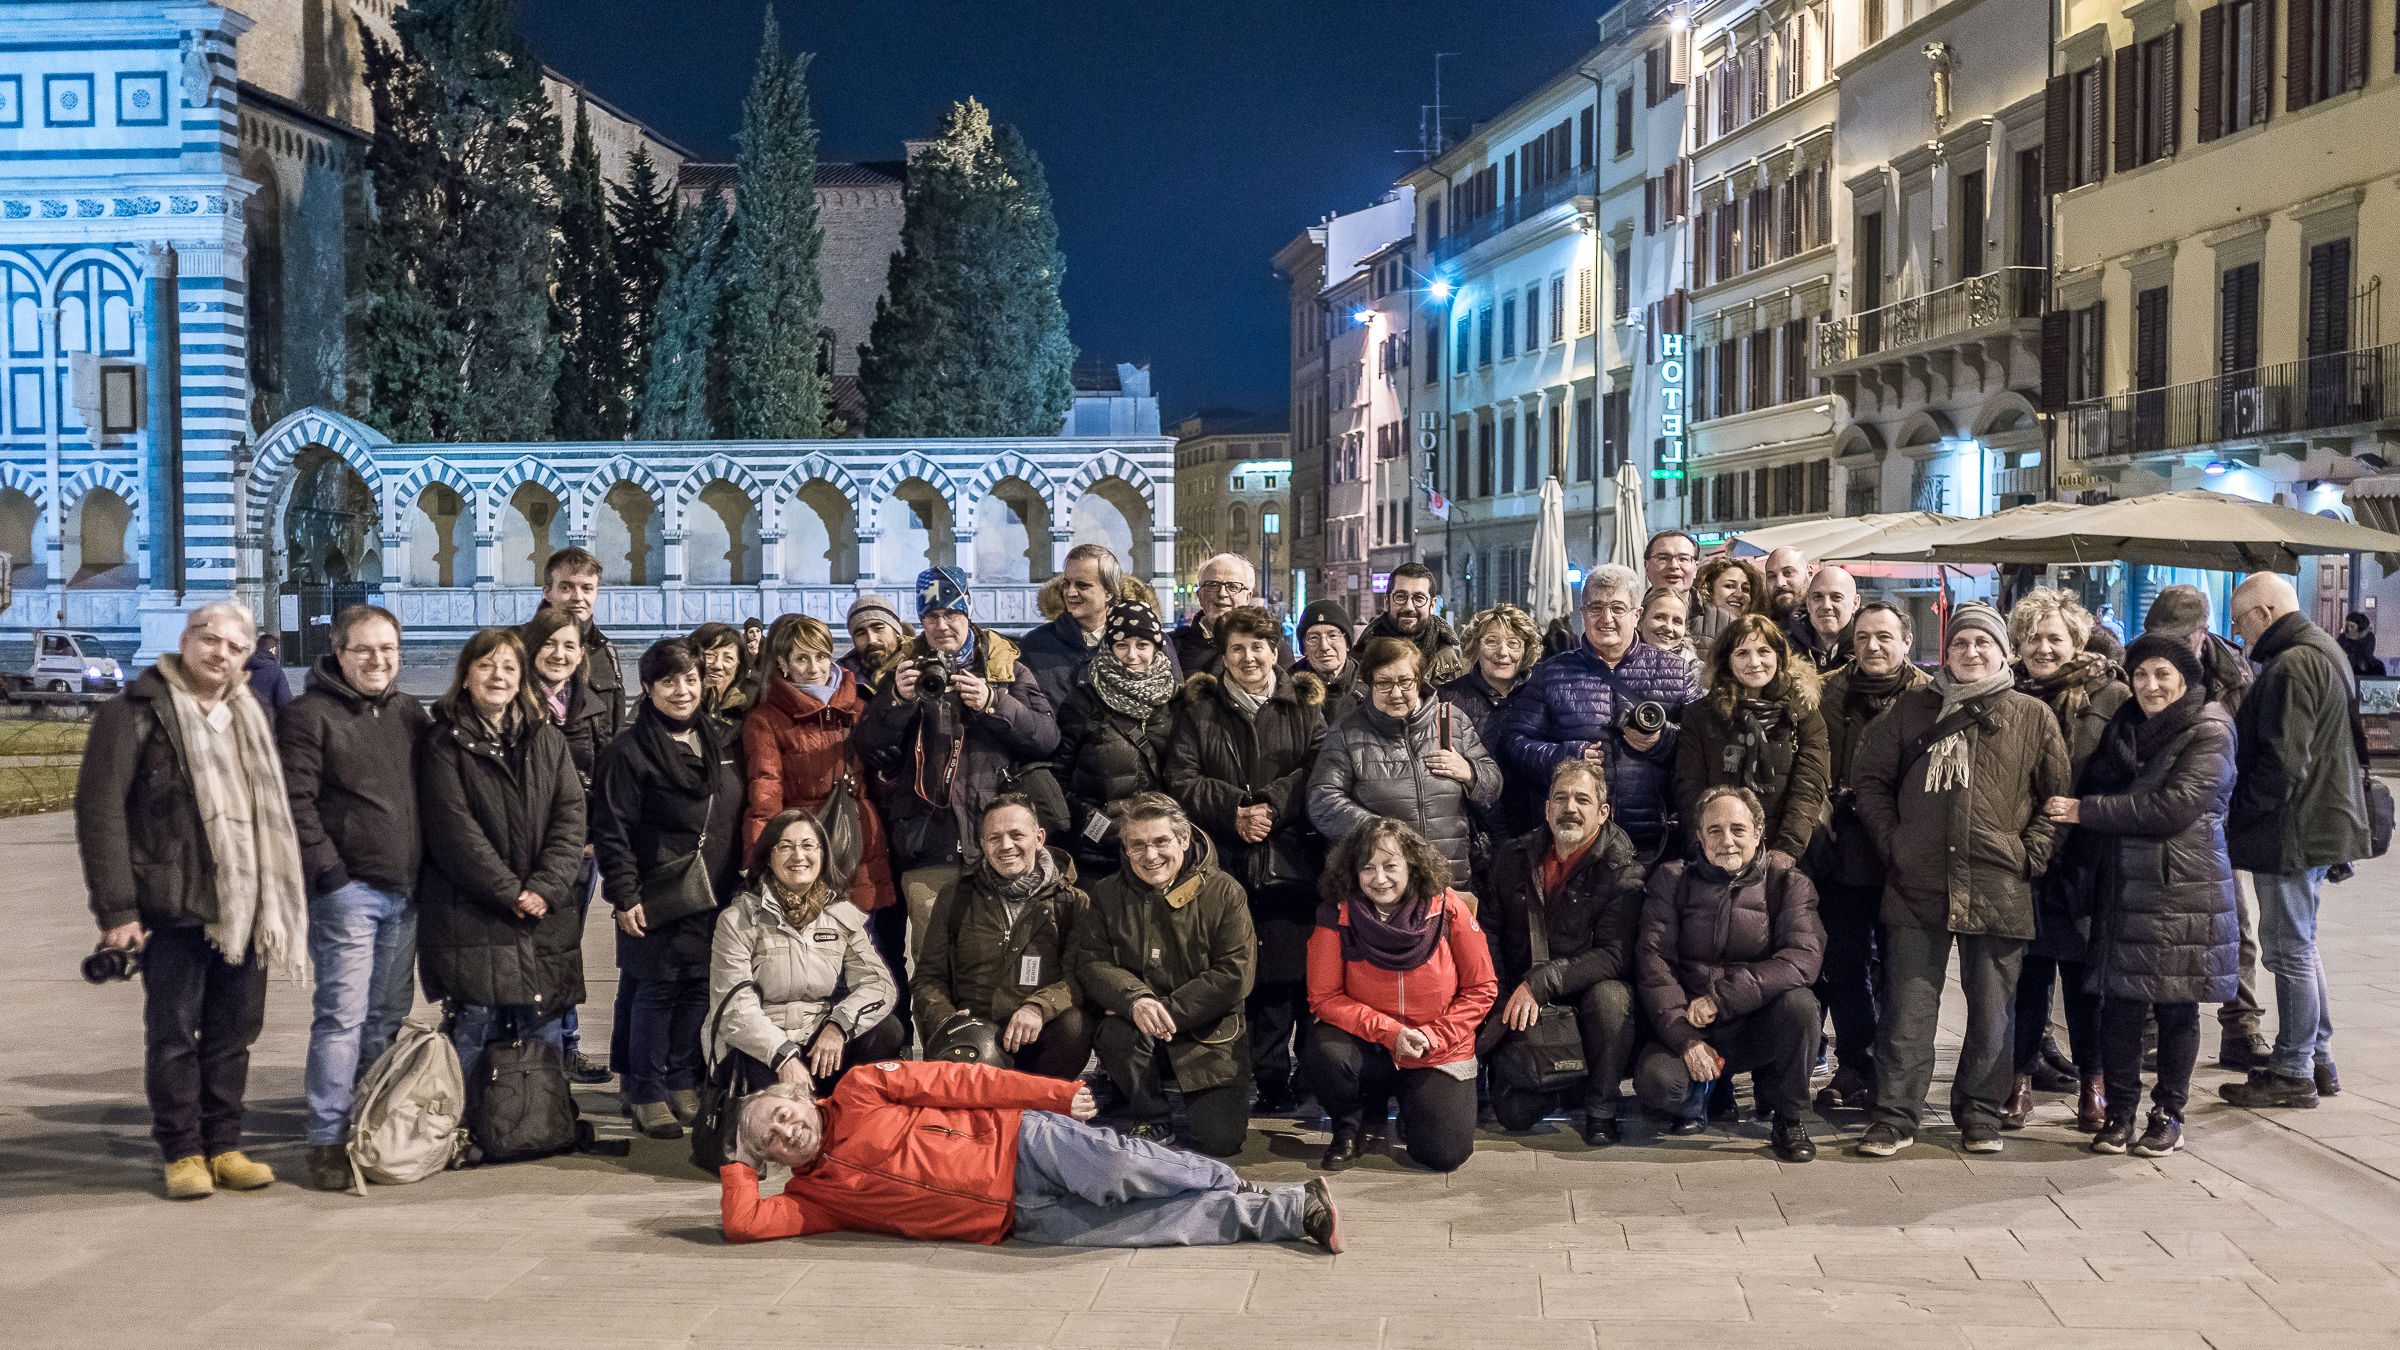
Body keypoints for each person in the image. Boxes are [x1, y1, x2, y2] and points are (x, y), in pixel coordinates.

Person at [76, 602, 305, 1199]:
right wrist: (118, 911)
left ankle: (225, 1144)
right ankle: (182, 1151)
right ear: (186, 639)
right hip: (170, 901)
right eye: (211, 641)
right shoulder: (134, 713)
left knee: (235, 1032)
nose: (221, 655)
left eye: (236, 647)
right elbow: (100, 813)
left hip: (245, 904)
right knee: (174, 1033)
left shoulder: (250, 712)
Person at [1850, 601, 2069, 1157]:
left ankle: (1980, 1112)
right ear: (1946, 652)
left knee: (1993, 1009)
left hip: (1998, 880)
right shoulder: (1911, 712)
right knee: (1908, 1007)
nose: (1972, 653)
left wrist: (2031, 853)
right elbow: (1869, 781)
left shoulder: (2031, 716)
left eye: (1983, 644)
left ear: (2003, 653)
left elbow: (2056, 799)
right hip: (1917, 878)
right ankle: (1896, 1114)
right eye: (1961, 644)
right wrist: (1894, 842)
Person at [720, 1062, 1342, 1250]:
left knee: (1126, 1170)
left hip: (1025, 1145)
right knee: (1157, 1227)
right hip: (1019, 1222)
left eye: (782, 1113)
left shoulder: (860, 1086)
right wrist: (736, 1156)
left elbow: (965, 1083)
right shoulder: (812, 1198)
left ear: (797, 1098)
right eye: (769, 1139)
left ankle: (1230, 1180)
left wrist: (1057, 1095)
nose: (786, 1131)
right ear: (770, 1160)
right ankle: (1289, 1213)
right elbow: (745, 1222)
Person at [2043, 633, 2238, 1157]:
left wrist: (2087, 810)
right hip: (2123, 884)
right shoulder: (2125, 725)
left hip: (2183, 887)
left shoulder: (2210, 729)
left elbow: (2173, 807)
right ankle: (2121, 1113)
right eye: (2141, 674)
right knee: (2120, 1006)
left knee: (2176, 1005)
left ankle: (2169, 1113)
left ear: (2185, 679)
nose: (2150, 686)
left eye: (2163, 675)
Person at [275, 603, 431, 1191]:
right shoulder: (309, 715)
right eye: (364, 649)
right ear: (339, 652)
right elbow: (296, 804)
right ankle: (326, 1138)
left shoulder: (409, 713)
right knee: (342, 1016)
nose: (378, 660)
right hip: (351, 895)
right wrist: (331, 877)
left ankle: (370, 1121)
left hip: (406, 893)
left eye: (387, 649)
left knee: (387, 1016)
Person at [415, 628, 588, 1109]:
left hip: (542, 907)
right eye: (486, 665)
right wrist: (510, 891)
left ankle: (540, 1120)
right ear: (466, 676)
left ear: (522, 678)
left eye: (509, 667)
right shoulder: (443, 743)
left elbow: (570, 816)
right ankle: (456, 1123)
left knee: (543, 1015)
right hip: (472, 909)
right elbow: (454, 831)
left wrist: (545, 887)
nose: (498, 676)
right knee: (474, 1017)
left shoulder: (546, 738)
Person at [1163, 606, 1327, 1115]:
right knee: (1244, 977)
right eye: (1238, 647)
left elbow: (1318, 768)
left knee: (1293, 974)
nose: (1249, 656)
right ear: (1223, 654)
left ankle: (1302, 1077)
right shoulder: (1200, 707)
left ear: (1276, 649)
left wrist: (1272, 807)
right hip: (1226, 862)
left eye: (1259, 645)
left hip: (1292, 862)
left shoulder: (1302, 701)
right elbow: (1181, 778)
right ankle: (1262, 1076)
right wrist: (1234, 809)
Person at [855, 566, 1059, 957]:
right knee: (933, 959)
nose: (942, 625)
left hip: (996, 838)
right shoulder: (906, 670)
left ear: (968, 612)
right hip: (928, 838)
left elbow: (1047, 738)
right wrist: (896, 701)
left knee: (1002, 956)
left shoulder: (1004, 666)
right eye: (931, 617)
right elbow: (868, 745)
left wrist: (994, 702)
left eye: (951, 614)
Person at [2219, 572, 2365, 1110]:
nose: (2240, 635)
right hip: (2316, 823)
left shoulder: (2293, 662)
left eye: (2241, 623)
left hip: (2290, 831)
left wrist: (2241, 818)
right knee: (2300, 945)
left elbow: (2283, 761)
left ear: (2264, 613)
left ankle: (2293, 1069)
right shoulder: (2321, 649)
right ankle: (2317, 1057)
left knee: (2289, 952)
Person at [591, 638, 747, 1139]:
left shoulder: (721, 739)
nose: (682, 691)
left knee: (698, 985)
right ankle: (644, 1089)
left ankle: (681, 1079)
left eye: (691, 679)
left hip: (714, 887)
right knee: (655, 989)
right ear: (647, 688)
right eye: (669, 681)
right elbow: (611, 828)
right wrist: (624, 893)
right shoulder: (628, 750)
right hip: (657, 888)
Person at [1634, 787, 1825, 1160]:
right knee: (1657, 1083)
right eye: (1715, 831)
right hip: (1691, 1024)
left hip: (1754, 1027)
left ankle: (1790, 1118)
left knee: (1802, 1005)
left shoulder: (1788, 884)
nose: (1727, 841)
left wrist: (1722, 1000)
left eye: (1738, 829)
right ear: (1700, 837)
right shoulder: (1672, 881)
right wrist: (1685, 1039)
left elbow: (1803, 957)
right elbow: (1654, 966)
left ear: (1758, 832)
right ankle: (1700, 1097)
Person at [2001, 588, 2128, 1132]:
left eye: (2055, 638)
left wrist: (2086, 815)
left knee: (2084, 980)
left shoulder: (2110, 695)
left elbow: (2126, 776)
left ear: (2077, 641)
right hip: (2023, 856)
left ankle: (2093, 1084)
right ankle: (2019, 1081)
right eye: (2033, 637)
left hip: (2086, 858)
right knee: (2026, 978)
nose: (2044, 648)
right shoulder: (2005, 692)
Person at [1303, 818, 1495, 1173]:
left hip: (1435, 1047)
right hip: (1370, 1046)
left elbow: (1482, 989)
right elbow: (1324, 997)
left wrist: (1431, 1036)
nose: (1379, 879)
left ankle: (1413, 1107)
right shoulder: (1335, 913)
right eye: (1368, 868)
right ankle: (1350, 1122)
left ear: (1412, 867)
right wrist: (1390, 1033)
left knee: (1443, 1155)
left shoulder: (1449, 908)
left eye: (1391, 866)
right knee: (1321, 1050)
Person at [1071, 793, 1258, 1155]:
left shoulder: (1225, 892)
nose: (1150, 855)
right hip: (1135, 1030)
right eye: (1137, 845)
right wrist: (1135, 999)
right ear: (1125, 849)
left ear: (1183, 839)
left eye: (1160, 842)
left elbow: (1235, 974)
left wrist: (1166, 1009)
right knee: (1114, 1031)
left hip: (1207, 1034)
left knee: (1219, 1140)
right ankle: (1149, 1111)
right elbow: (1091, 963)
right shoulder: (1107, 893)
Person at [1478, 761, 1647, 1143]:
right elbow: (1489, 931)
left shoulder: (1623, 870)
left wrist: (1543, 982)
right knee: (1513, 1115)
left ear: (1604, 813)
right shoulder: (1511, 857)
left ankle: (1601, 1107)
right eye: (1561, 798)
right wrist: (1502, 996)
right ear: (1547, 808)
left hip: (1581, 994)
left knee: (1612, 997)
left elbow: (1615, 956)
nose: (1570, 808)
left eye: (1583, 800)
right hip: (1524, 998)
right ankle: (1570, 1085)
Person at [742, 613, 901, 1010]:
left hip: (865, 846)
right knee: (820, 964)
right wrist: (759, 861)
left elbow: (885, 784)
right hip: (807, 854)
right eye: (801, 659)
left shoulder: (861, 704)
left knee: (879, 957)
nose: (813, 667)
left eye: (820, 656)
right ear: (781, 664)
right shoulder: (766, 718)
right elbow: (765, 795)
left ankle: (887, 1049)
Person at [1803, 601, 1926, 1112]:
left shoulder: (1929, 696)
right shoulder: (1824, 691)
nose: (1872, 646)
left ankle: (1893, 1070)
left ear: (1906, 643)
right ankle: (1856, 1063)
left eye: (1884, 637)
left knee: (1903, 967)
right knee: (1846, 963)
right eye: (1863, 638)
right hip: (1841, 853)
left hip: (1906, 852)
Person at [1496, 564, 1702, 862]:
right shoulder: (1549, 674)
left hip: (1655, 843)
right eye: (1596, 608)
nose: (1606, 618)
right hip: (1573, 846)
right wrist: (1564, 756)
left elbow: (1702, 746)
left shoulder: (1679, 672)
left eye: (1618, 608)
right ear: (1582, 612)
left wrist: (1662, 739)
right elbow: (1514, 744)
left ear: (1637, 614)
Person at [2143, 583, 2264, 1069]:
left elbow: (2252, 747)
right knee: (2154, 926)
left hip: (2220, 818)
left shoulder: (2236, 673)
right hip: (2158, 816)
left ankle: (2243, 1025)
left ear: (2203, 634)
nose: (2170, 645)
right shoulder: (2141, 666)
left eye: (2181, 637)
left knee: (2235, 923)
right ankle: (2149, 1026)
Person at [709, 809, 905, 1097]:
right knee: (777, 1108)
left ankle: (848, 1111)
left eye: (808, 845)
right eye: (785, 846)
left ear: (823, 854)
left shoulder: (840, 916)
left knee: (888, 1030)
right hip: (757, 1044)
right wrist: (782, 1055)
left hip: (816, 1039)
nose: (798, 855)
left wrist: (839, 1025)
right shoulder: (738, 919)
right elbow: (733, 1008)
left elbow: (879, 986)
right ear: (768, 857)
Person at [1308, 637, 1501, 899]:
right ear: (1369, 684)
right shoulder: (1347, 732)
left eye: (1405, 681)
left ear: (1419, 680)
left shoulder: (1452, 721)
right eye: (1384, 683)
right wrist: (1380, 831)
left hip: (1450, 886)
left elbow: (1493, 785)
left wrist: (1469, 772)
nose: (1396, 693)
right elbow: (1322, 800)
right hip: (1381, 889)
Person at [916, 797, 1095, 1079]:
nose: (1006, 846)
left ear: (1039, 839)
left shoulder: (1072, 902)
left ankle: (1043, 1102)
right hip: (973, 1038)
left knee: (1076, 1024)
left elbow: (1078, 979)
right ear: (983, 844)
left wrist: (1038, 1008)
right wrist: (945, 1018)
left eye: (1017, 835)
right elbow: (929, 977)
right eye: (994, 838)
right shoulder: (956, 897)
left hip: (1036, 1035)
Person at [522, 605, 618, 1085]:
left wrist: (595, 837)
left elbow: (602, 775)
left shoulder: (589, 707)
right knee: (529, 960)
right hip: (526, 858)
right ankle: (532, 1066)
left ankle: (562, 1055)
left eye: (570, 645)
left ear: (582, 654)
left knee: (565, 954)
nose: (559, 654)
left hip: (578, 853)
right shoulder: (515, 703)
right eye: (550, 643)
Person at [1673, 614, 1831, 867]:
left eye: (1764, 651)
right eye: (1742, 653)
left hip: (1783, 854)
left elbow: (1809, 787)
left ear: (1779, 656)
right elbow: (1689, 788)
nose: (1754, 662)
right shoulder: (1701, 715)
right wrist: (1706, 848)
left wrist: (1787, 849)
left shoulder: (1803, 712)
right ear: (1727, 660)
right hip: (1718, 854)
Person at [1054, 600, 1178, 881]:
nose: (1132, 655)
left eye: (1142, 645)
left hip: (1160, 855)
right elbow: (1057, 781)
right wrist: (1102, 829)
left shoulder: (1175, 701)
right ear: (1109, 648)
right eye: (1122, 645)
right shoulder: (1082, 703)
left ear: (1157, 648)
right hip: (1097, 859)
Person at [1441, 602, 1543, 883]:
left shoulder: (1539, 693)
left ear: (1527, 649)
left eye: (1514, 643)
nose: (1503, 653)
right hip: (1475, 836)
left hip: (1533, 830)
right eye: (1492, 641)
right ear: (1475, 646)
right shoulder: (1449, 698)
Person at [1022, 544, 1181, 714]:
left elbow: (1176, 710)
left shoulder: (1154, 642)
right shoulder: (1035, 645)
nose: (1070, 593)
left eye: (1082, 585)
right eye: (1067, 584)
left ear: (1109, 592)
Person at [521, 546, 625, 726]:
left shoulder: (605, 651)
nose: (578, 597)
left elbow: (617, 726)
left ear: (596, 593)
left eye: (587, 588)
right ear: (547, 593)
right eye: (566, 587)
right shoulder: (519, 645)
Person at [1173, 552, 1292, 677]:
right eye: (1213, 585)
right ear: (1200, 595)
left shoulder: (1273, 647)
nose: (1222, 593)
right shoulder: (1174, 646)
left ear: (1248, 597)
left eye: (1233, 586)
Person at [1359, 562, 1468, 685]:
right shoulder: (1358, 661)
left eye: (1419, 598)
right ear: (1386, 602)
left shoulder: (1459, 667)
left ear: (1432, 605)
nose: (1409, 607)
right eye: (1400, 597)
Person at [1644, 530, 1727, 657]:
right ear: (1647, 566)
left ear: (1695, 568)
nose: (1673, 565)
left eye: (1683, 559)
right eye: (1663, 558)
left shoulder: (1724, 622)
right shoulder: (1630, 618)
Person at [1294, 599, 1365, 723]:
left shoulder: (1371, 688)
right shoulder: (1286, 690)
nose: (1324, 646)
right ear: (1304, 648)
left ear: (1347, 644)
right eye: (1314, 638)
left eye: (1333, 636)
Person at [838, 594, 911, 700]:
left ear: (896, 631)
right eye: (861, 633)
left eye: (878, 628)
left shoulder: (923, 662)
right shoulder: (840, 677)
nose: (871, 640)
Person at [1790, 566, 1859, 675]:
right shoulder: (1788, 649)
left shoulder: (1868, 651)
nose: (1826, 606)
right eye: (1818, 597)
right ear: (1808, 604)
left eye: (1836, 597)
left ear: (1855, 603)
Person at [691, 622, 752, 732]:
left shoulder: (747, 711)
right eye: (709, 655)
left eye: (728, 658)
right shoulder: (676, 707)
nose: (717, 665)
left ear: (738, 666)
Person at [1641, 587, 1703, 680]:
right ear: (1639, 621)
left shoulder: (1695, 672)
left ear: (1685, 628)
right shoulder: (1617, 661)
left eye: (1677, 621)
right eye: (1659, 617)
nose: (1668, 628)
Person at [1695, 555, 1768, 620]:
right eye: (1729, 586)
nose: (1739, 594)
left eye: (1745, 589)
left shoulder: (1760, 632)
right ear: (1709, 590)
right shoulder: (1691, 628)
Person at [244, 633, 292, 723]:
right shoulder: (276, 672)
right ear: (273, 650)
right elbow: (284, 702)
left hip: (245, 723)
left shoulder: (243, 668)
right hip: (267, 726)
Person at [1760, 546, 1815, 624]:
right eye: (1772, 576)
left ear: (1809, 574)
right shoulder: (1760, 630)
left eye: (1788, 572)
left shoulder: (1828, 623)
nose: (1779, 583)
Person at [2338, 610, 2381, 678]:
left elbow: (2367, 654)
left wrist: (2356, 639)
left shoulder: (2369, 636)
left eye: (2352, 626)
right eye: (2347, 626)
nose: (2349, 629)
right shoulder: (2343, 637)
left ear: (2359, 627)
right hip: (2346, 667)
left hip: (2364, 668)